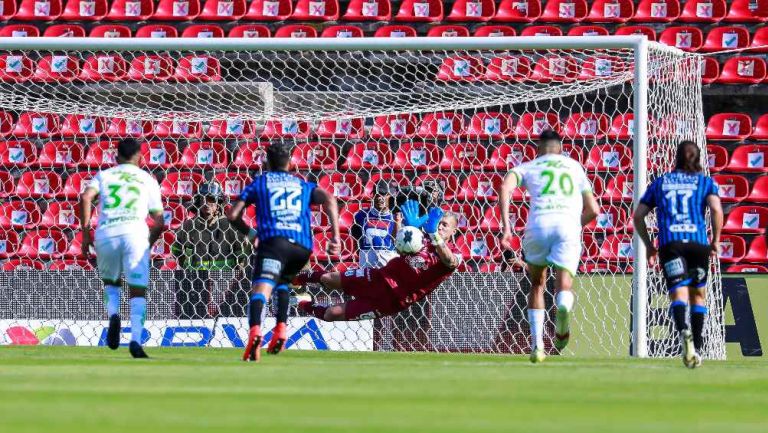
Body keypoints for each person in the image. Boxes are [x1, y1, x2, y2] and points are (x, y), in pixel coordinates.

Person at [227, 142, 340, 362]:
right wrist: (335, 237)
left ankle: (255, 333)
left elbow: (232, 215)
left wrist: (252, 235)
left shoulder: (260, 183)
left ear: (266, 163)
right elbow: (329, 198)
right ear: (290, 163)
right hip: (302, 247)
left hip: (274, 242)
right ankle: (281, 329)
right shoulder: (302, 185)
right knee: (283, 284)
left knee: (261, 288)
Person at [498, 129, 599, 363]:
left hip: (538, 226)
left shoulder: (529, 166)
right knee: (563, 284)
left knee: (537, 285)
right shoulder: (574, 167)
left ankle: (537, 345)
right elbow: (593, 210)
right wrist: (575, 225)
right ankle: (563, 308)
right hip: (566, 226)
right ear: (561, 149)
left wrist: (507, 228)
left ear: (538, 149)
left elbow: (505, 188)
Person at [633, 140, 723, 369]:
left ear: (676, 157)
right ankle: (698, 346)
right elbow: (715, 209)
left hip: (670, 244)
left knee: (678, 293)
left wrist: (648, 246)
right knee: (698, 296)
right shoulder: (705, 183)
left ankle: (683, 329)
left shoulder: (661, 182)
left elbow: (638, 215)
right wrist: (715, 240)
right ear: (699, 158)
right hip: (698, 244)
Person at [294, 201, 462, 322]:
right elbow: (400, 248)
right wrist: (407, 230)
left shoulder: (454, 252)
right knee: (328, 279)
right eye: (438, 223)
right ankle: (293, 279)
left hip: (392, 300)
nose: (440, 227)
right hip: (378, 277)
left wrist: (434, 235)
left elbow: (451, 262)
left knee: (331, 314)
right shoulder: (422, 239)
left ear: (454, 231)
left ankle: (301, 304)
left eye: (445, 225)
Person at [79, 138, 165, 359]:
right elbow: (159, 220)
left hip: (106, 232)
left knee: (112, 281)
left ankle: (114, 315)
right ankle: (135, 341)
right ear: (140, 157)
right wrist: (147, 243)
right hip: (135, 233)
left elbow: (86, 197)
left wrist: (86, 232)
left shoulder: (105, 175)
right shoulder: (147, 179)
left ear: (116, 157)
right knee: (138, 289)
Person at [171, 181, 252, 319]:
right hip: (196, 283)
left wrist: (238, 274)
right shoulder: (189, 226)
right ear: (198, 201)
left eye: (211, 199)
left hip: (225, 282)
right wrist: (186, 264)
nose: (207, 203)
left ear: (219, 202)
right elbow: (176, 248)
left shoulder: (230, 225)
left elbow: (242, 253)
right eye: (203, 199)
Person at [351, 180, 401, 269]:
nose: (379, 198)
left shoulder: (397, 217)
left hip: (389, 270)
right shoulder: (361, 215)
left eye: (383, 194)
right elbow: (355, 239)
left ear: (391, 196)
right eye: (376, 194)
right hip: (366, 268)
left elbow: (399, 243)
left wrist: (397, 221)